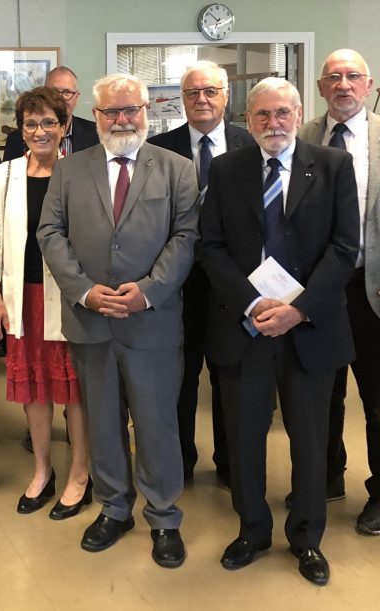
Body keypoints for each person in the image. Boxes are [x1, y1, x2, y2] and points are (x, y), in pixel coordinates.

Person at [200, 77, 359, 586]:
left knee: (311, 441)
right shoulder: (227, 170)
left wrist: (299, 309)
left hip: (309, 328)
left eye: (283, 114)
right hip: (245, 326)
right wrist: (252, 303)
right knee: (245, 436)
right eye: (263, 115)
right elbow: (211, 245)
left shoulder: (333, 166)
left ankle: (308, 537)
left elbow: (343, 247)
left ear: (298, 114)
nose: (274, 124)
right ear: (248, 121)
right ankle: (252, 531)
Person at [38, 73, 199, 567]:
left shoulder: (177, 169)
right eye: (112, 111)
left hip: (150, 322)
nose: (123, 119)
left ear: (147, 110)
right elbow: (50, 231)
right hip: (91, 322)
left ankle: (164, 516)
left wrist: (146, 294)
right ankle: (113, 508)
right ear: (96, 114)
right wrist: (84, 292)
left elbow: (186, 237)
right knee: (103, 422)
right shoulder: (69, 170)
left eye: (132, 109)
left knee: (156, 423)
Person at [0, 87, 89, 519]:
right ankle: (43, 471)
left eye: (48, 122)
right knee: (35, 391)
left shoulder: (79, 172)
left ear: (64, 127)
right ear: (20, 129)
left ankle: (80, 473)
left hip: (70, 298)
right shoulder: (3, 175)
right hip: (20, 299)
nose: (39, 131)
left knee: (75, 392)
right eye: (30, 123)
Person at [148, 60, 253, 487]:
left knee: (231, 377)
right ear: (181, 99)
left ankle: (230, 463)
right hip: (179, 283)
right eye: (192, 92)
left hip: (235, 284)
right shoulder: (158, 148)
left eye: (210, 91)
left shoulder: (251, 144)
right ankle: (181, 461)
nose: (202, 99)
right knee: (182, 377)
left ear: (226, 96)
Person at [293, 49, 380, 535]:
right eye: (334, 78)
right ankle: (324, 477)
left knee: (377, 398)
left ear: (368, 86)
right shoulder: (302, 137)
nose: (343, 85)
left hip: (374, 288)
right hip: (317, 290)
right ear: (321, 88)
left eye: (353, 77)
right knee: (319, 392)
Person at [3, 66, 99, 161]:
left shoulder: (96, 134)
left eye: (67, 92)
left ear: (76, 97)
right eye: (54, 92)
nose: (60, 99)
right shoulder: (15, 140)